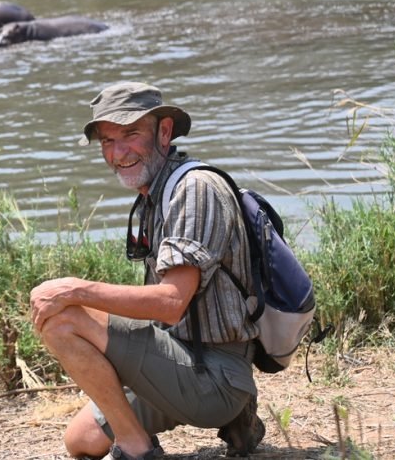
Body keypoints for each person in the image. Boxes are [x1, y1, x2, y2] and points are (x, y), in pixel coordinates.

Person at [29, 82, 265, 460]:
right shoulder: (154, 194)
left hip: (214, 376)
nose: (118, 152)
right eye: (108, 140)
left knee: (64, 318)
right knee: (81, 440)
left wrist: (76, 290)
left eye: (130, 134)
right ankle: (237, 421)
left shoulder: (194, 189)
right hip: (181, 358)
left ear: (164, 132)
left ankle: (138, 449)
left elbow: (170, 304)